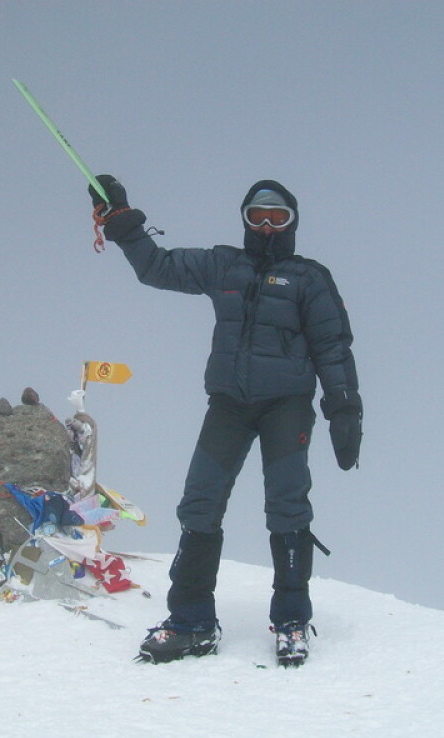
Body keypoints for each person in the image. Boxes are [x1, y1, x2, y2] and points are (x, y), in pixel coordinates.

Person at [89, 176, 362, 667]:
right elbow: (158, 267)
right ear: (244, 220)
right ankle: (191, 621)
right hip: (230, 404)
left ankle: (292, 620)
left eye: (278, 217)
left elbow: (332, 347)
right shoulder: (224, 265)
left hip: (287, 405)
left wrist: (344, 409)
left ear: (293, 223)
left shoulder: (309, 278)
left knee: (287, 506)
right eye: (257, 216)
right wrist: (123, 221)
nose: (267, 225)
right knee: (199, 503)